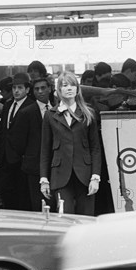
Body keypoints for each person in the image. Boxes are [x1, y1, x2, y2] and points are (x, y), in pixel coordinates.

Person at [40, 71, 102, 216]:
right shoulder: (50, 115)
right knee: (64, 216)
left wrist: (95, 177)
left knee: (86, 218)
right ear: (59, 90)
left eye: (72, 85)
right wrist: (44, 179)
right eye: (65, 85)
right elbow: (45, 149)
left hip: (85, 174)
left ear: (77, 89)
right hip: (60, 174)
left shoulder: (88, 113)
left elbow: (95, 148)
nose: (69, 88)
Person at [15, 77, 56, 212]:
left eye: (43, 88)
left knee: (56, 203)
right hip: (34, 166)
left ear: (49, 89)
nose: (40, 91)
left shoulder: (57, 109)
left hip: (57, 164)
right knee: (39, 204)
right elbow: (19, 143)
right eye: (36, 89)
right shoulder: (26, 113)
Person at [0, 72, 35, 210]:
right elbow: (3, 130)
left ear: (27, 89)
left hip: (22, 158)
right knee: (7, 192)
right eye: (14, 88)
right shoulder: (8, 105)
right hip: (6, 156)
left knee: (22, 195)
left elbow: (33, 135)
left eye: (20, 88)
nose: (16, 91)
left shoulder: (32, 106)